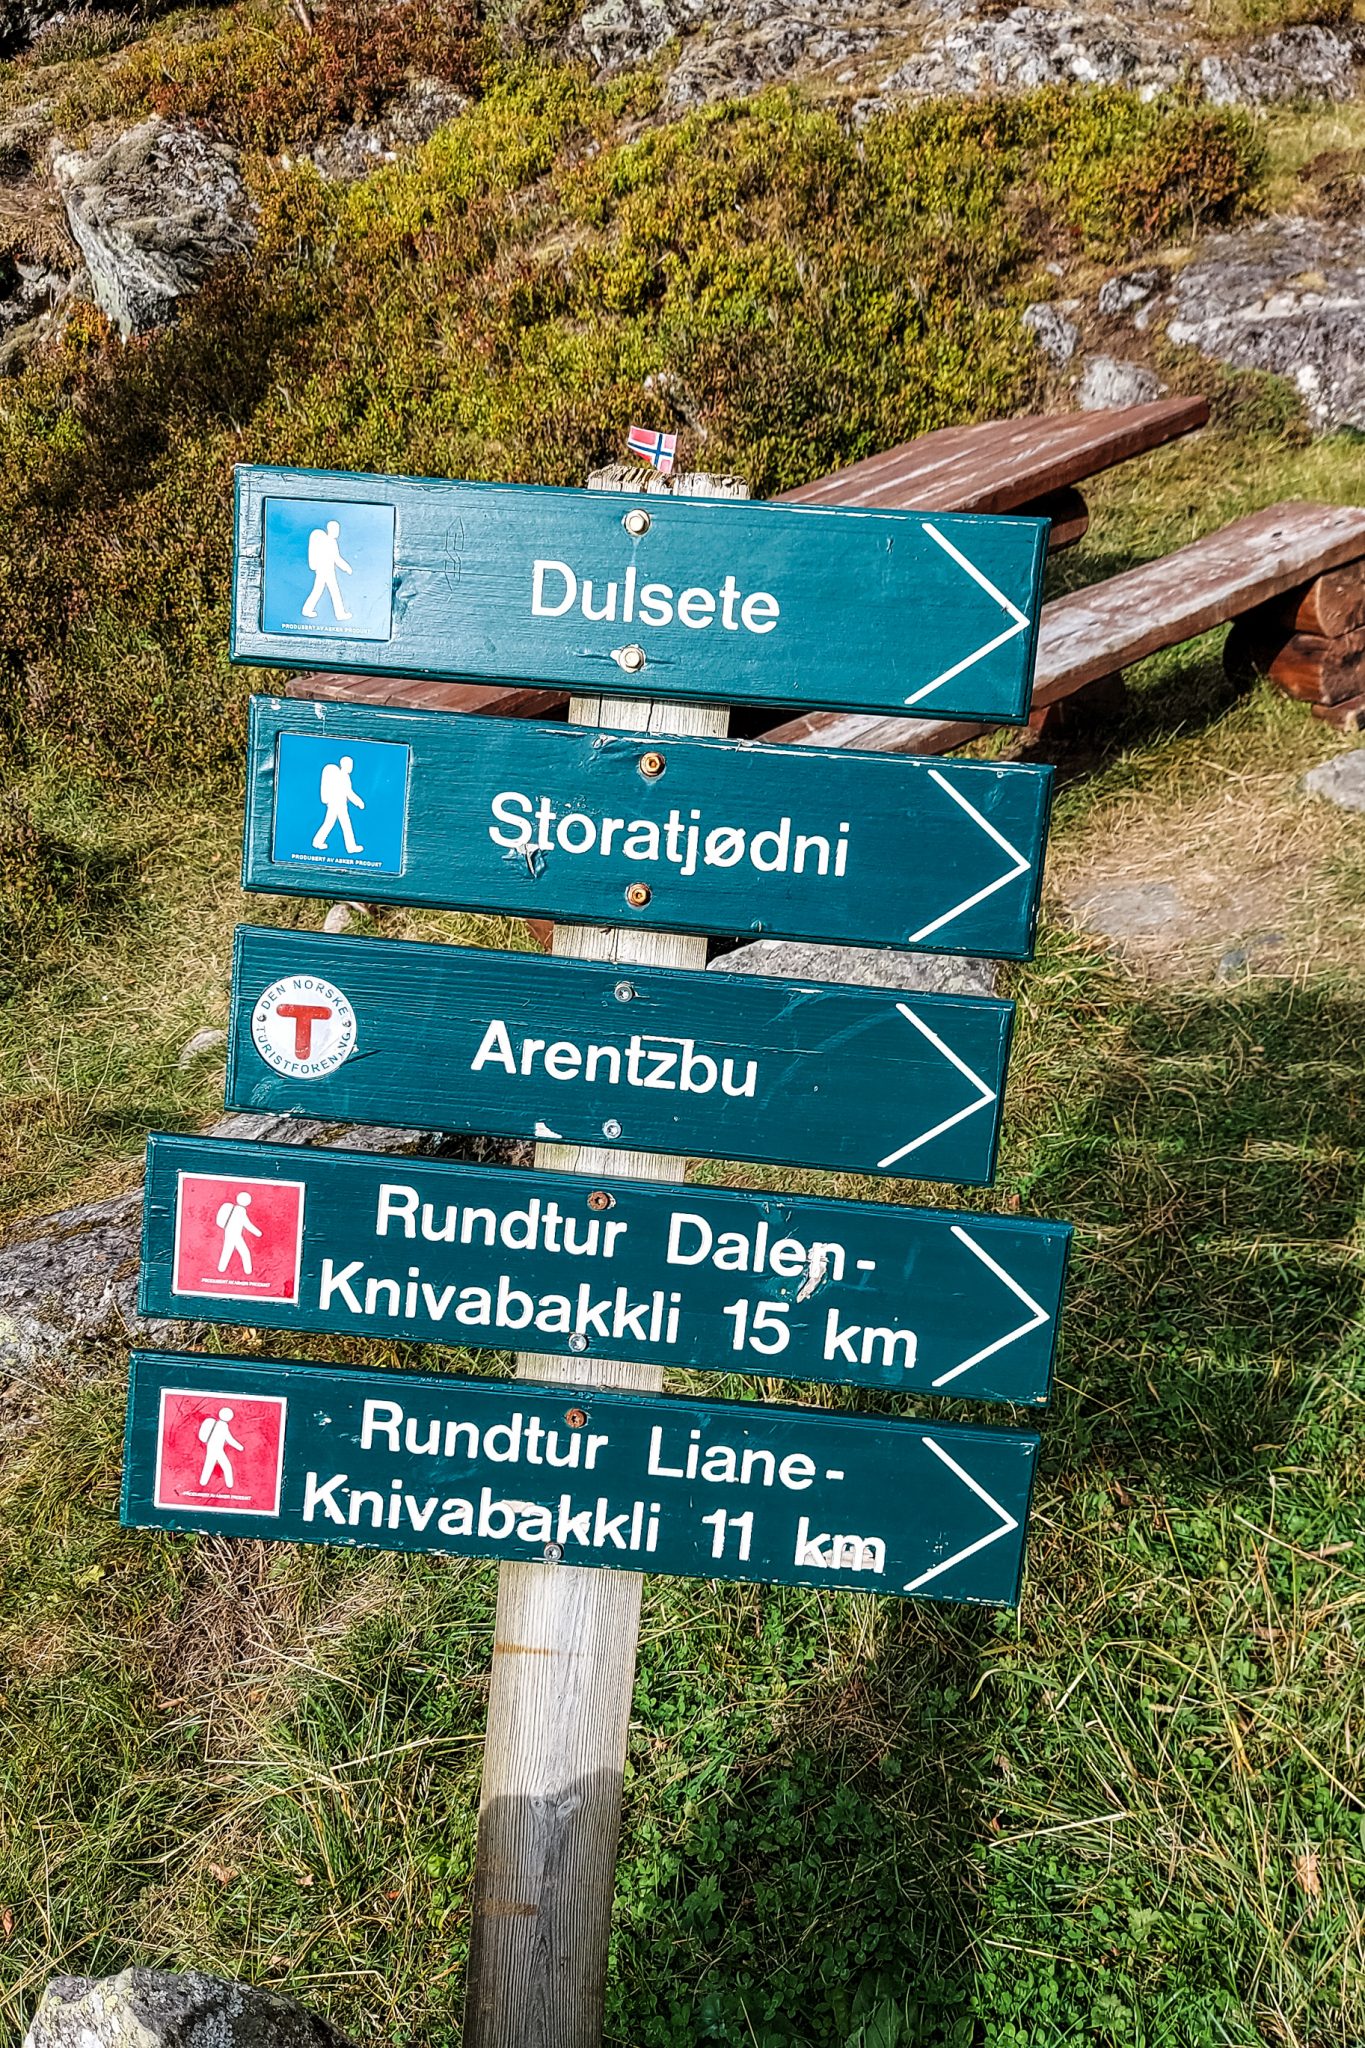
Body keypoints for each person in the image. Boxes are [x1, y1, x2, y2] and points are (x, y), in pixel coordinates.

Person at [302, 519, 353, 622]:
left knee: (320, 591)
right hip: (325, 571)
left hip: (327, 571)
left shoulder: (332, 541)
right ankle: (340, 614)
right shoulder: (327, 541)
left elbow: (336, 558)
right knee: (332, 591)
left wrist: (346, 567)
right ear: (330, 530)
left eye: (338, 529)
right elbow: (336, 558)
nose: (337, 532)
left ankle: (307, 610)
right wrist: (346, 567)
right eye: (336, 529)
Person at [312, 755, 365, 854]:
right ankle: (350, 847)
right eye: (349, 765)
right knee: (342, 824)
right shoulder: (341, 776)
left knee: (333, 824)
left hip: (339, 804)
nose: (351, 767)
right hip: (337, 804)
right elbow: (348, 792)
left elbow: (349, 792)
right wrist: (358, 802)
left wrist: (358, 801)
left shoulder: (345, 776)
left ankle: (318, 842)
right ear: (344, 765)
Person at [216, 1189, 263, 1276]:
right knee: (244, 1252)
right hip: (236, 1235)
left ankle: (221, 1268)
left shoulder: (233, 1208)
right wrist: (258, 1233)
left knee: (228, 1250)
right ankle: (248, 1271)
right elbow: (247, 1224)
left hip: (229, 1232)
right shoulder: (241, 1211)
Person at [198, 1407, 244, 1490]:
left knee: (209, 1464)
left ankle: (203, 1482)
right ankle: (229, 1485)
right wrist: (240, 1447)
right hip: (217, 1449)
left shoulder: (217, 1423)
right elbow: (229, 1439)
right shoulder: (223, 1426)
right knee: (226, 1466)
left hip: (211, 1447)